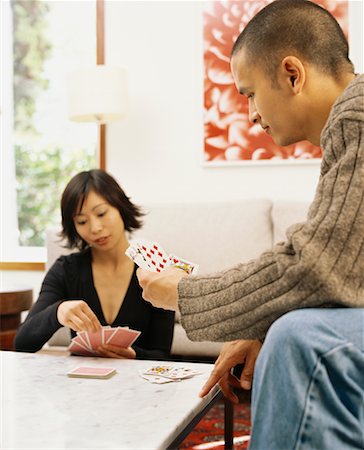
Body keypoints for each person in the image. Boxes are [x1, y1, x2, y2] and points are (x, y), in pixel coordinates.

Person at [137, 1, 364, 448]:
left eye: (250, 94)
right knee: (282, 329)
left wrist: (182, 293)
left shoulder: (356, 119)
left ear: (292, 74)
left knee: (299, 341)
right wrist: (256, 324)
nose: (252, 115)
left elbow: (317, 266)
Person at [15, 169, 175, 360]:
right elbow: (22, 344)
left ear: (120, 207)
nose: (95, 228)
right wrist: (57, 311)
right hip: (82, 383)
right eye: (82, 221)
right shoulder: (66, 270)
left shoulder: (154, 269)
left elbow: (162, 353)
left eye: (101, 213)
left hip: (140, 383)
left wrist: (134, 355)